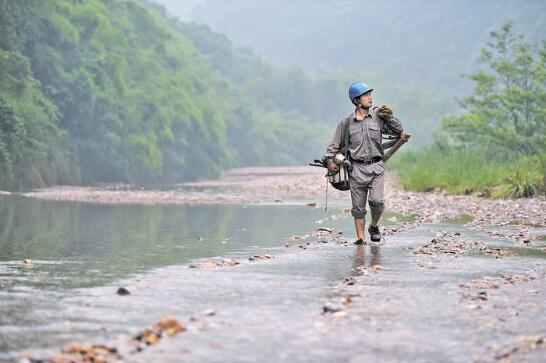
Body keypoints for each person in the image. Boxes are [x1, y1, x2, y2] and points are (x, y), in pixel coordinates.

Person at [322, 82, 403, 245]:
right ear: (357, 100)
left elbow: (398, 130)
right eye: (366, 95)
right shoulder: (345, 123)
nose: (370, 98)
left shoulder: (379, 118)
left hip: (376, 166)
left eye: (370, 94)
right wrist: (329, 161)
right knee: (358, 208)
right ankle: (360, 239)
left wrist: (389, 116)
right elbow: (333, 146)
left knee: (377, 202)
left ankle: (374, 226)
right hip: (355, 168)